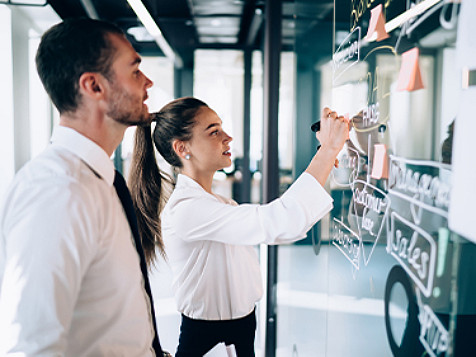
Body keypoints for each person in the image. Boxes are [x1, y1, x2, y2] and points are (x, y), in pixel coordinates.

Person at [128, 97, 349, 356]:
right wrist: (327, 152)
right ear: (181, 148)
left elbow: (280, 224)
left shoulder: (220, 203)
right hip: (206, 334)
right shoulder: (187, 210)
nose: (228, 137)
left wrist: (325, 159)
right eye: (214, 131)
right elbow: (279, 220)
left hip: (243, 324)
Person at [0, 18, 167, 356]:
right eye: (135, 71)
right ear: (94, 86)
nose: (147, 83)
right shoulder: (58, 191)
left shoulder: (100, 181)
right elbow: (32, 347)